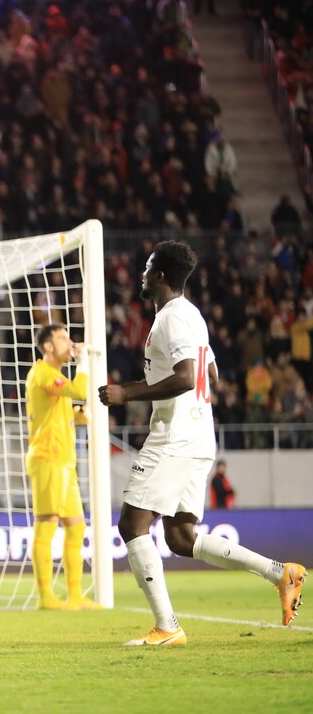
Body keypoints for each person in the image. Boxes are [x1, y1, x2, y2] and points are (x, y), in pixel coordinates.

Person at [98, 240, 307, 646]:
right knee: (180, 536)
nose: (141, 273)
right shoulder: (191, 315)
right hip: (198, 433)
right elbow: (209, 371)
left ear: (159, 276)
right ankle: (280, 573)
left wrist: (126, 393)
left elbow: (186, 374)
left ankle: (167, 626)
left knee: (132, 523)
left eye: (146, 267)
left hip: (175, 435)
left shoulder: (171, 319)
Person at [25, 324, 101, 611]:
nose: (69, 342)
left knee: (76, 525)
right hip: (47, 458)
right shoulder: (43, 373)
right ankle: (45, 597)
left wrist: (78, 416)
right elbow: (79, 389)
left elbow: (55, 411)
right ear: (48, 346)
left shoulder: (52, 377)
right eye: (62, 338)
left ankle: (75, 594)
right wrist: (84, 362)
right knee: (47, 525)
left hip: (64, 461)